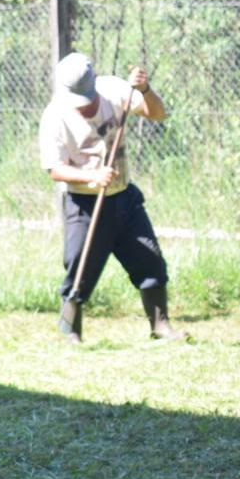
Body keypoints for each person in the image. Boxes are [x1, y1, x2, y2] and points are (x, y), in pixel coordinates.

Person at [39, 52, 188, 344]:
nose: (86, 106)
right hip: (85, 204)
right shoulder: (55, 116)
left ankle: (160, 327)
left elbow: (157, 114)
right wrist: (92, 177)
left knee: (150, 260)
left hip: (124, 199)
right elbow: (54, 169)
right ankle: (73, 333)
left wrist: (144, 90)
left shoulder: (114, 90)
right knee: (78, 266)